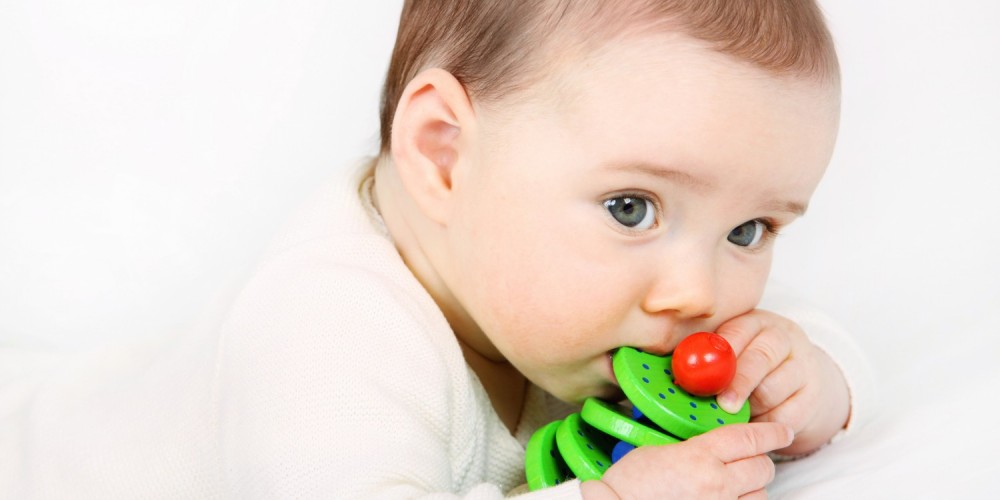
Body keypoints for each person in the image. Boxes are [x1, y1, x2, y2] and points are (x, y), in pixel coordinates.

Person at [0, 0, 873, 498]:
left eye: (749, 232)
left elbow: (808, 338)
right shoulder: (327, 335)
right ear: (443, 155)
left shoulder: (562, 297)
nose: (698, 293)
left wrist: (809, 381)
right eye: (630, 206)